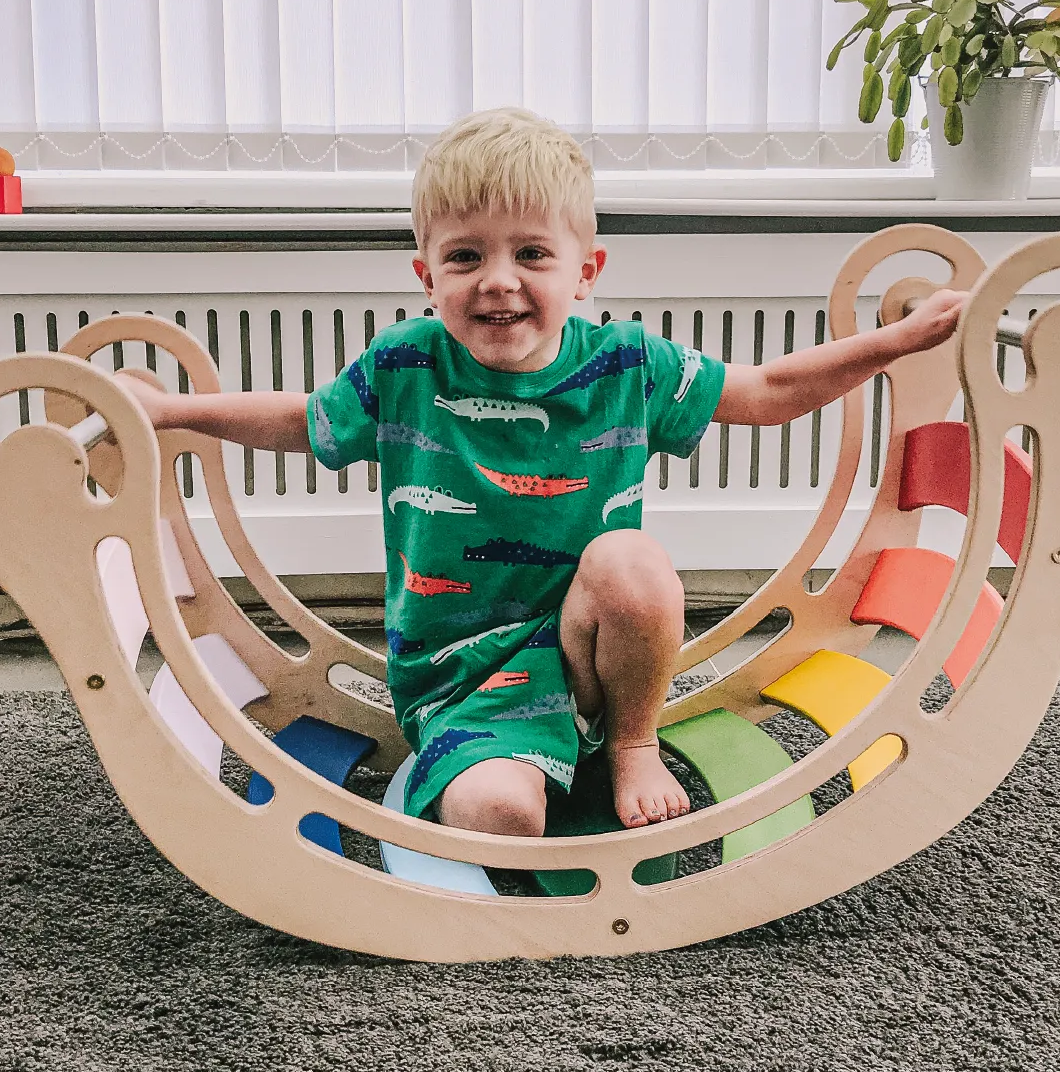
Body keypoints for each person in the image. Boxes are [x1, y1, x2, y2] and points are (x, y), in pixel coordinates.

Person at [120, 108, 964, 839]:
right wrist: (170, 413)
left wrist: (894, 345)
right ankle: (496, 765)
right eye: (464, 258)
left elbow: (771, 391)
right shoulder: (406, 364)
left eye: (531, 253)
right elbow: (304, 421)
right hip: (462, 679)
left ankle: (629, 744)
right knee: (503, 819)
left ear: (584, 272)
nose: (498, 281)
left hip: (588, 657)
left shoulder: (628, 362)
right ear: (427, 276)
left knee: (630, 562)